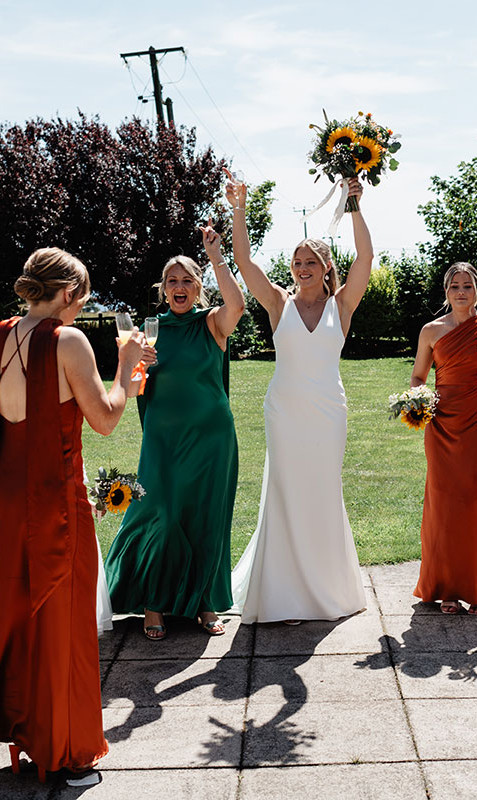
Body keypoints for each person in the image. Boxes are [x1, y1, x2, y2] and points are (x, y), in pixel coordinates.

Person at [0, 247, 153, 779]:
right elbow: (107, 418)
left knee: (16, 616)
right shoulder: (69, 341)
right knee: (63, 619)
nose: (80, 307)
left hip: (3, 490)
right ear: (68, 291)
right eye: (82, 296)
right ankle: (68, 749)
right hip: (53, 495)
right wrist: (127, 363)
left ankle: (23, 735)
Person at [227, 174, 371, 624]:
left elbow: (365, 257)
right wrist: (239, 208)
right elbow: (244, 260)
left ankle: (326, 588)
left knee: (323, 491)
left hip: (328, 413)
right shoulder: (276, 303)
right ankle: (282, 591)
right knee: (286, 492)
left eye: (311, 260)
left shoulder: (342, 306)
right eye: (296, 261)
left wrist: (353, 206)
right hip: (284, 412)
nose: (302, 267)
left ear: (326, 267)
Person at [104, 242, 245, 641]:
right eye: (172, 281)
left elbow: (237, 305)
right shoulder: (146, 331)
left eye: (187, 280)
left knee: (206, 517)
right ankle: (153, 602)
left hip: (212, 439)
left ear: (199, 287)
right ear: (163, 289)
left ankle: (204, 602)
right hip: (163, 440)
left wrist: (217, 256)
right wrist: (136, 365)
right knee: (158, 513)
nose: (179, 287)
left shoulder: (212, 324)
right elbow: (131, 390)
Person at [409, 263, 477, 615]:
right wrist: (419, 403)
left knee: (474, 504)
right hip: (441, 424)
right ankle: (447, 589)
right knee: (442, 505)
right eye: (454, 285)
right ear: (445, 291)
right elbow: (418, 377)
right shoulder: (430, 331)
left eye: (467, 285)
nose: (460, 291)